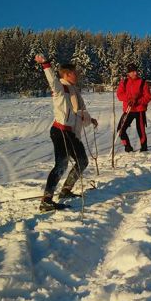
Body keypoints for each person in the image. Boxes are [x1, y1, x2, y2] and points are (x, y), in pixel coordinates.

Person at [35, 54, 98, 212]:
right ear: (66, 74)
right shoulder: (61, 88)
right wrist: (46, 64)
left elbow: (80, 113)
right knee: (61, 164)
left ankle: (65, 190)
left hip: (70, 134)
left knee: (82, 161)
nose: (77, 75)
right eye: (74, 73)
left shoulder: (74, 91)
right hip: (60, 131)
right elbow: (52, 81)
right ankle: (46, 201)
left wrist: (91, 121)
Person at [117, 64, 151, 152]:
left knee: (141, 130)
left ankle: (144, 148)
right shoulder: (124, 82)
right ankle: (127, 147)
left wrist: (137, 101)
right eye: (133, 72)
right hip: (128, 109)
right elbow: (119, 95)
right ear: (128, 73)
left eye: (136, 71)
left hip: (139, 109)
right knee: (120, 129)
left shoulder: (143, 82)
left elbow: (148, 97)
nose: (135, 73)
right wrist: (128, 99)